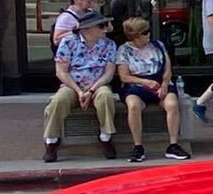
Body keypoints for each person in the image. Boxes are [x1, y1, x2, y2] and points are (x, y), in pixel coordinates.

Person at [43, 9, 120, 162]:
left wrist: (91, 90)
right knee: (58, 101)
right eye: (102, 26)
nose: (106, 28)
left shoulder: (109, 44)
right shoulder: (68, 42)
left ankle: (106, 137)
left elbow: (109, 73)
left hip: (98, 84)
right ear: (87, 29)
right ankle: (51, 141)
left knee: (105, 96)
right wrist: (78, 91)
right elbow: (61, 72)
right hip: (72, 84)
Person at [114, 17, 189, 162]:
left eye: (148, 31)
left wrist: (165, 84)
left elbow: (167, 69)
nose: (148, 34)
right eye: (145, 32)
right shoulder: (124, 50)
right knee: (134, 105)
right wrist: (145, 82)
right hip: (136, 85)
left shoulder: (158, 45)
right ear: (134, 36)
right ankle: (138, 147)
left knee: (172, 103)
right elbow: (124, 77)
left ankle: (173, 145)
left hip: (160, 82)